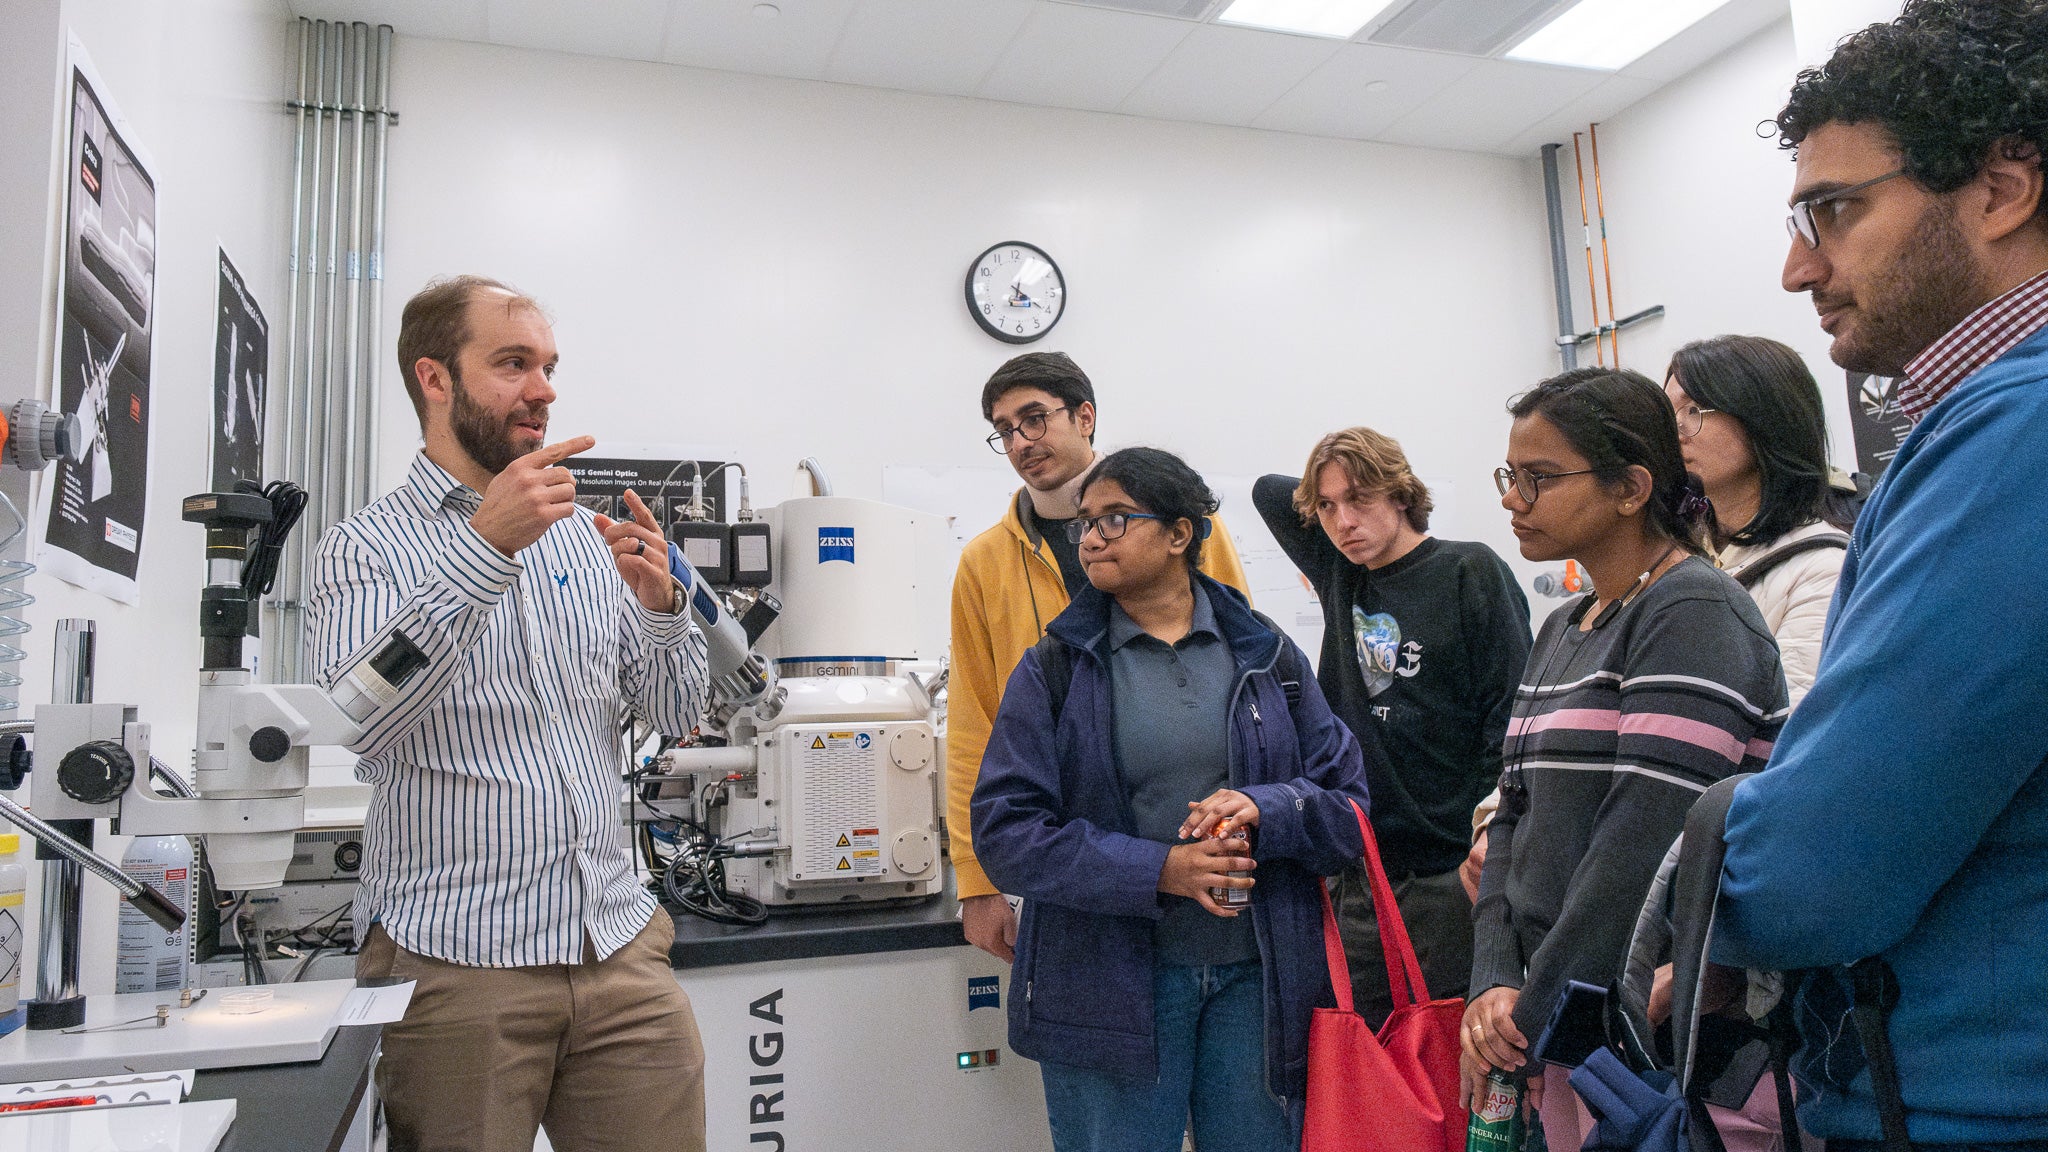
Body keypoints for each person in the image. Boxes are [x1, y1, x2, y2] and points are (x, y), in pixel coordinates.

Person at [1715, 4, 2048, 1147]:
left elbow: (1816, 867)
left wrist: (1696, 882)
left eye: (1832, 209)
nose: (1797, 264)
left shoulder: (2017, 430)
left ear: (2000, 192)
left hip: (1983, 1101)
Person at [307, 276, 710, 1152]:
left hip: (620, 953)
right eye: (513, 364)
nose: (544, 390)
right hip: (455, 965)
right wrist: (484, 549)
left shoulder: (576, 539)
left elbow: (674, 712)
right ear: (435, 379)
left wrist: (661, 611)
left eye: (549, 366)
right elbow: (356, 724)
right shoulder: (363, 548)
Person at [971, 447, 1368, 1152]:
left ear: (1181, 534)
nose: (1090, 537)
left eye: (1115, 519)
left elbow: (1348, 809)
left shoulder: (1268, 656)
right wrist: (1161, 871)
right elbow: (1006, 832)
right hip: (1109, 987)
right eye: (1085, 524)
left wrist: (1269, 807)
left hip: (1261, 985)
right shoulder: (1055, 668)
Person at [1461, 367, 1786, 1148]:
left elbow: (1639, 846)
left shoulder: (1694, 611)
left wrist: (1534, 1019)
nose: (1513, 498)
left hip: (1648, 1029)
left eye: (1539, 478)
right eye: (1511, 475)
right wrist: (1492, 982)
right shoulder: (1564, 626)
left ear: (1631, 486)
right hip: (1555, 1015)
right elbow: (1511, 815)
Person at [947, 352, 1249, 964]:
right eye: (1004, 429)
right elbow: (971, 726)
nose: (1020, 441)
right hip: (1065, 853)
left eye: (1034, 419)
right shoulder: (984, 563)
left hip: (1191, 834)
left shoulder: (1184, 529)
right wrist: (976, 881)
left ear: (1085, 416)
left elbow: (1247, 683)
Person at [1252, 428, 1528, 1026]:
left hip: (1447, 871)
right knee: (1371, 1066)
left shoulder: (1468, 569)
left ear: (1401, 494)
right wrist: (1327, 470)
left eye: (1360, 499)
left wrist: (1486, 840)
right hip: (1357, 871)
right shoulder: (1340, 573)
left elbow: (1510, 719)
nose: (1342, 521)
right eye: (1326, 507)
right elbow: (1267, 492)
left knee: (1459, 1057)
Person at [1665, 335, 1858, 705]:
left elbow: (1791, 725)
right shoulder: (1684, 554)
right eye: (1667, 414)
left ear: (1764, 421)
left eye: (1692, 411)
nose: (1675, 433)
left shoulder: (1823, 568)